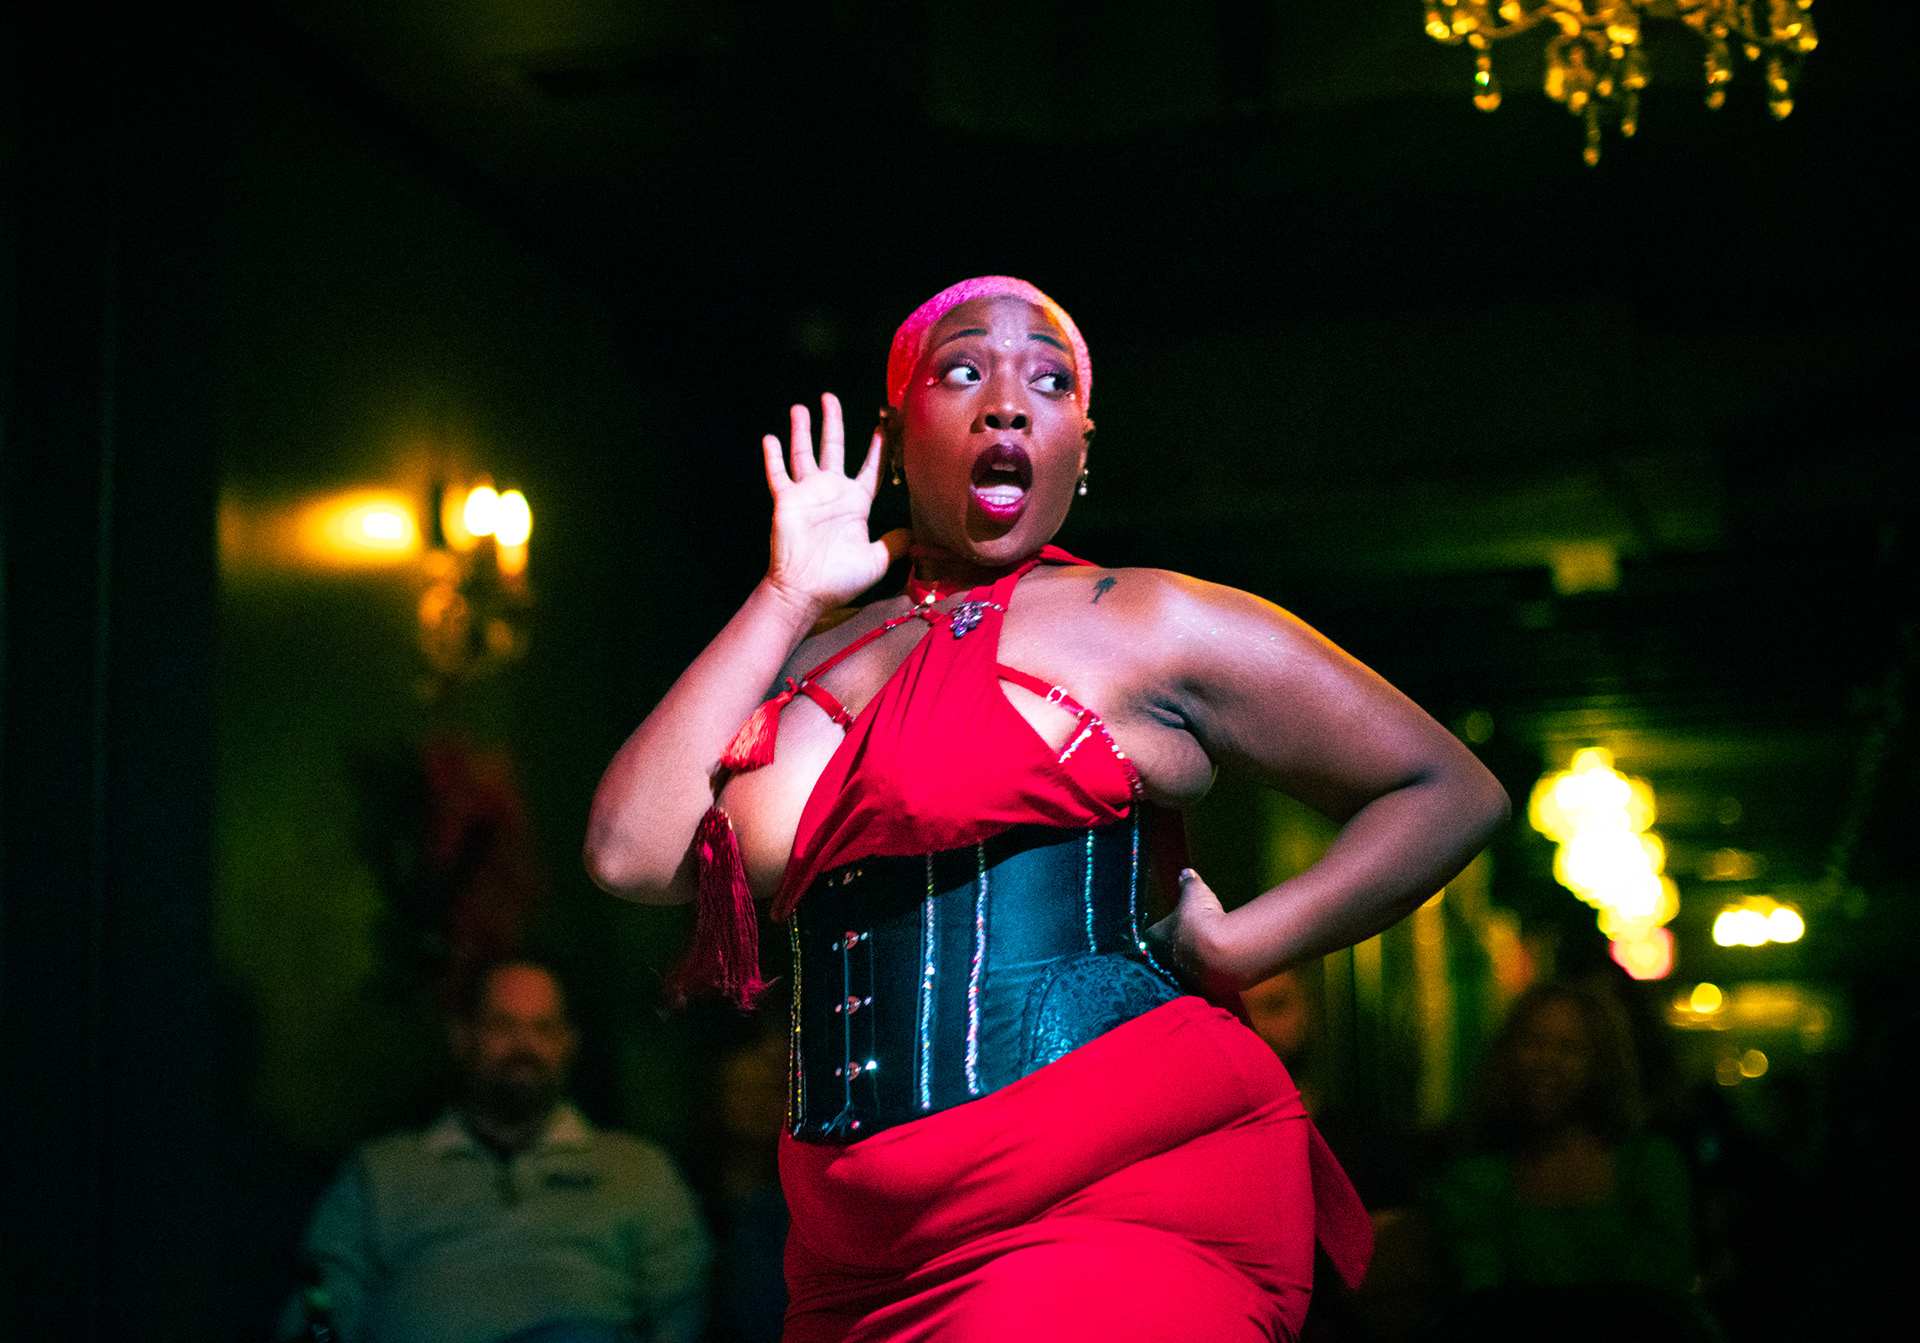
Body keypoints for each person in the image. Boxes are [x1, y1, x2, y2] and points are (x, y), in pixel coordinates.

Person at [585, 276, 1510, 1342]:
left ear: (1081, 444)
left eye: (1051, 381)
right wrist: (787, 592)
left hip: (1109, 1197)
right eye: (963, 369)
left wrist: (1244, 942)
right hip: (855, 1254)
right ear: (897, 434)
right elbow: (628, 850)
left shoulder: (1145, 618)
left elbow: (1448, 789)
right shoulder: (809, 654)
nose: (1009, 404)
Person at [282, 960, 711, 1343]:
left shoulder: (639, 1169)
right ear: (462, 1037)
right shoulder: (380, 1172)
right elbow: (320, 1307)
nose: (524, 1046)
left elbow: (684, 1309)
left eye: (543, 1028)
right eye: (503, 1025)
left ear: (569, 1043)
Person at [1425, 980, 1701, 1341]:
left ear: (1602, 1064)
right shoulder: (1474, 1180)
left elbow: (1667, 1294)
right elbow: (1483, 1307)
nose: (1546, 1062)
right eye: (1532, 1043)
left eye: (1570, 1049)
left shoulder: (1650, 1166)